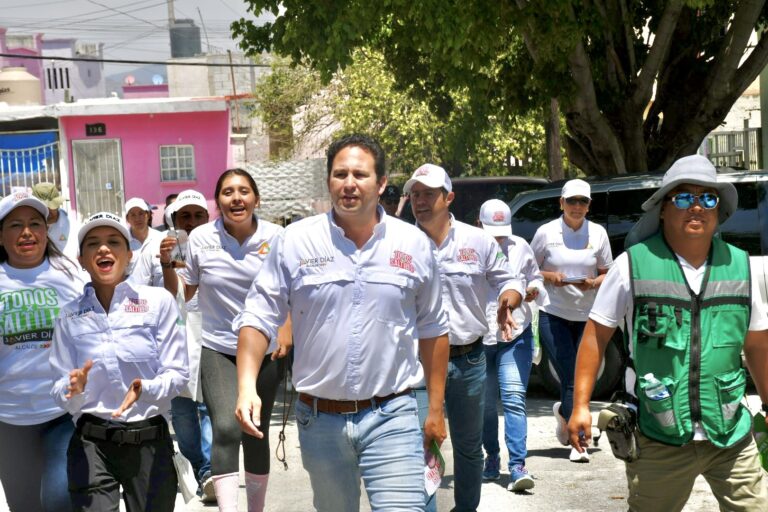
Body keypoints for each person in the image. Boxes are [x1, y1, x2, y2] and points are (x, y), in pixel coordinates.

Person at [233, 134, 454, 512]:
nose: (349, 183)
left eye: (360, 174)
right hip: (319, 421)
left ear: (381, 184)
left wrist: (435, 409)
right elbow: (258, 315)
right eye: (340, 174)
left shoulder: (414, 245)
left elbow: (433, 329)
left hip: (393, 414)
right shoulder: (295, 241)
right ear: (329, 181)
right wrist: (245, 386)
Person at [568, 154, 768, 510]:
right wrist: (580, 405)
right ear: (662, 208)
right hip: (658, 435)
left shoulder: (742, 268)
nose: (697, 206)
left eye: (708, 198)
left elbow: (756, 345)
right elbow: (595, 337)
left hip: (731, 434)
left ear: (718, 210)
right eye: (683, 197)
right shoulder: (632, 264)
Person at [164, 169, 290, 512]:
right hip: (218, 347)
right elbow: (185, 291)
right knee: (225, 427)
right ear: (218, 202)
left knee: (255, 430)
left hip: (266, 348)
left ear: (256, 199)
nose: (236, 198)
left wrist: (285, 331)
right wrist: (165, 273)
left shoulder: (277, 237)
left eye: (244, 191)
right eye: (228, 192)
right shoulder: (202, 239)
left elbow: (290, 290)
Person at [49, 211, 189, 511]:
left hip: (150, 441)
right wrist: (73, 388)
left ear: (129, 255)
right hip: (91, 446)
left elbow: (178, 374)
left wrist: (146, 388)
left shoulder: (158, 302)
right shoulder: (69, 316)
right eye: (93, 244)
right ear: (82, 259)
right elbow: (59, 386)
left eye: (113, 241)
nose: (103, 249)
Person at [406, 164, 524, 512]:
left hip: (469, 359)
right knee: (423, 447)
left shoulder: (479, 241)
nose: (421, 201)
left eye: (429, 194)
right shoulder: (398, 241)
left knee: (469, 448)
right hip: (417, 364)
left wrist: (508, 302)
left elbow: (511, 280)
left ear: (449, 197)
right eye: (415, 194)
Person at [0, 191, 84, 512]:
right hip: (8, 420)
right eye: (16, 225)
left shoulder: (70, 275)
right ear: (1, 235)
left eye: (35, 223)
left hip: (61, 414)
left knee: (59, 501)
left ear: (46, 231)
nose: (27, 232)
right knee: (24, 506)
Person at [130, 189, 215, 502]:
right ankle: (197, 464)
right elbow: (145, 294)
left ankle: (210, 472)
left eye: (198, 215)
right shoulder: (155, 247)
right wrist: (166, 263)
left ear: (208, 218)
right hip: (172, 341)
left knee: (209, 408)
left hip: (211, 336)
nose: (191, 223)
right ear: (173, 219)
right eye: (185, 217)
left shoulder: (218, 245)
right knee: (181, 414)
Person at [530, 178, 613, 462]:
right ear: (561, 203)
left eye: (583, 202)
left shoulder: (599, 233)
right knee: (570, 374)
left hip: (588, 315)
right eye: (572, 201)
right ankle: (580, 443)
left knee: (581, 377)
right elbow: (529, 269)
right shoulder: (546, 232)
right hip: (553, 313)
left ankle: (568, 419)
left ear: (589, 206)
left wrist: (594, 283)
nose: (577, 207)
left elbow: (607, 272)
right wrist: (551, 277)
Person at [478, 199, 548, 492]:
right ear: (478, 224)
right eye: (493, 231)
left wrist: (533, 290)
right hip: (479, 338)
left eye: (502, 232)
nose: (498, 238)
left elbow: (536, 277)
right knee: (484, 405)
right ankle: (491, 457)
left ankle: (518, 465)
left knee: (513, 398)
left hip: (514, 335)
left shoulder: (520, 246)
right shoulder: (468, 249)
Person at [31, 182, 79, 259]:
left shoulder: (73, 227)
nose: (49, 211)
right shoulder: (27, 230)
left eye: (52, 206)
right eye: (44, 208)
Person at [124, 196, 162, 274]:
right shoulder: (123, 241)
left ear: (147, 215)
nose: (137, 219)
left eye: (141, 213)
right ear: (127, 219)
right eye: (133, 215)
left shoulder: (161, 238)